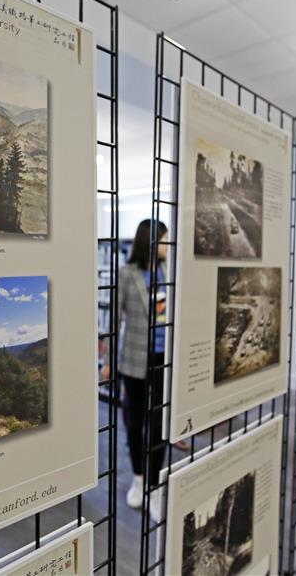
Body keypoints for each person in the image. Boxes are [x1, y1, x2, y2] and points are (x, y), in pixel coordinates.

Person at [108, 219, 171, 523]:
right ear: (150, 241)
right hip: (133, 360)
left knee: (159, 424)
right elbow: (113, 321)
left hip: (164, 360)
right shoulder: (126, 274)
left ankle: (154, 486)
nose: (168, 246)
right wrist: (107, 361)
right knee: (134, 422)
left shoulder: (169, 274)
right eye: (164, 240)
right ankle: (138, 477)